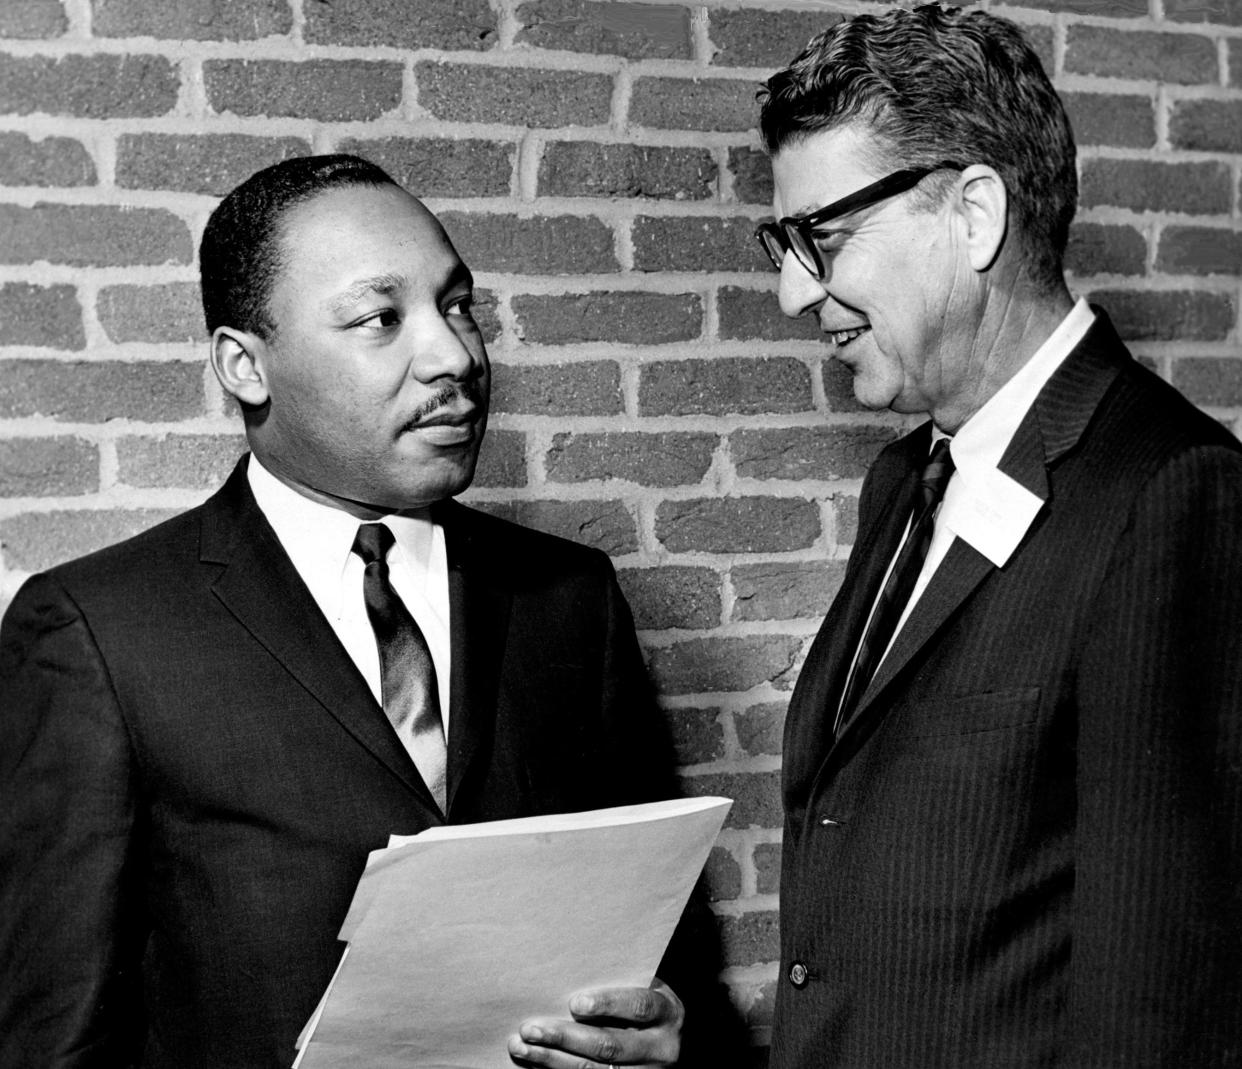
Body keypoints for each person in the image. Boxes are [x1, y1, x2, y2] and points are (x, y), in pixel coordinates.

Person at [0, 154, 715, 1069]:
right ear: (245, 366)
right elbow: (52, 1038)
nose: (455, 354)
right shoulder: (98, 631)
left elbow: (665, 945)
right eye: (382, 318)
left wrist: (666, 1033)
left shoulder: (570, 599)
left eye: (459, 304)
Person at [753, 6, 1242, 1067]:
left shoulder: (1174, 494)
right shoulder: (903, 480)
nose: (795, 293)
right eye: (782, 244)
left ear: (974, 213)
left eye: (821, 238)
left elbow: (1160, 1004)